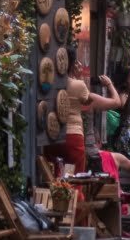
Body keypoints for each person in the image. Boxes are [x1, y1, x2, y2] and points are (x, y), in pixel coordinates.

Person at [45, 47, 121, 175]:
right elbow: (116, 102)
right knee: (73, 178)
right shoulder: (78, 86)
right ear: (73, 64)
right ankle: (72, 194)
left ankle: (55, 194)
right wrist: (109, 84)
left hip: (51, 136)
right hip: (72, 138)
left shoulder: (48, 83)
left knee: (54, 177)